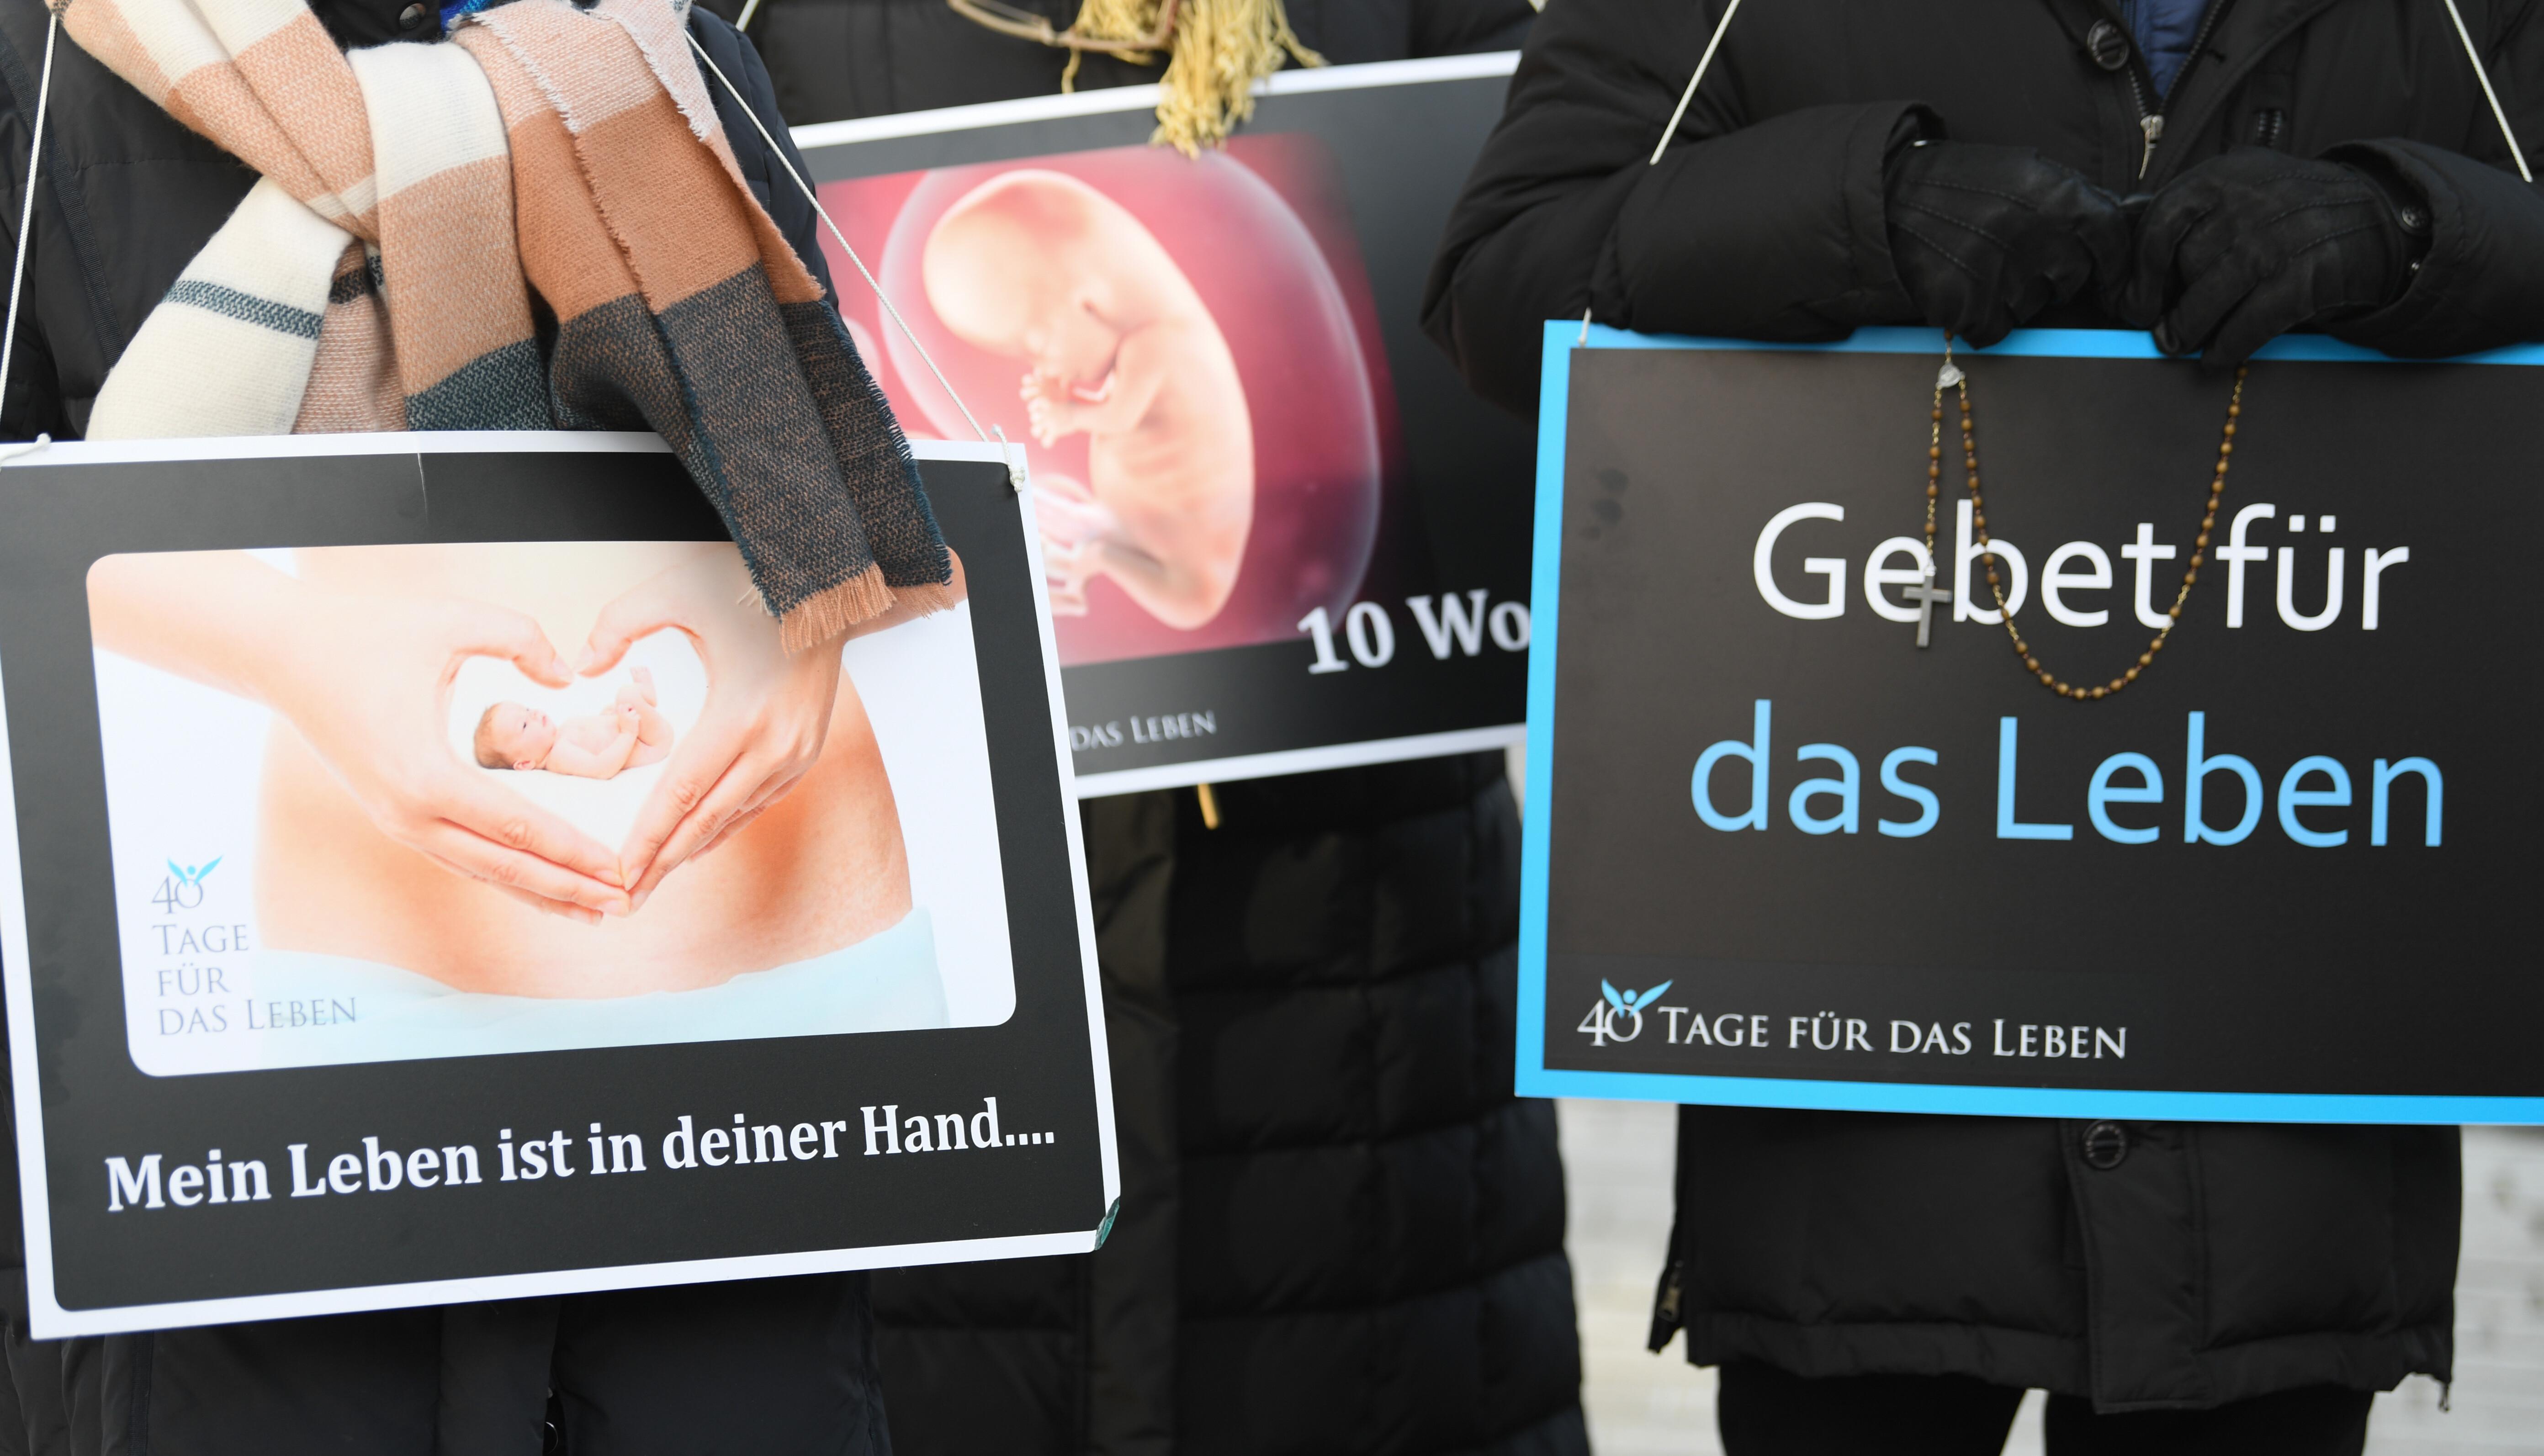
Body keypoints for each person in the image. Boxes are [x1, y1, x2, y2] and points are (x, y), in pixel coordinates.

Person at [1423, 0, 2544, 1451]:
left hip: (2273, 1152)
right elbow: (1505, 276)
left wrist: (2408, 227)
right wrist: (1862, 210)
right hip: (1855, 1123)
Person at [0, 0, 907, 1448]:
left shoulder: (669, 48)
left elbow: (834, 489)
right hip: (257, 1133)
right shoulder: (54, 70)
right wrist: (286, 645)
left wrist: (810, 610)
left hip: (706, 1116)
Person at [709, 1, 1586, 1452]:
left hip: (1366, 1008)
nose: (1053, 396)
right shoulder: (753, 25)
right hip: (936, 1002)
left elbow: (1560, 261)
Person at [923, 169, 1254, 626]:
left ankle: (1102, 554)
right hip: (1146, 525)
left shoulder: (1161, 345)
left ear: (1089, 303)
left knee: (1189, 608)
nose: (1036, 364)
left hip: (1187, 555)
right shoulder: (1137, 344)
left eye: (1035, 344)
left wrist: (1071, 414)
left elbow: (1120, 416)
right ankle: (1102, 536)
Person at [476, 667, 675, 779]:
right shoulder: (560, 756)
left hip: (641, 732)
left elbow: (595, 737)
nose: (534, 714)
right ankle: (647, 694)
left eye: (527, 709)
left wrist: (608, 717)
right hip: (651, 744)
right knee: (627, 695)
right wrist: (627, 733)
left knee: (621, 701)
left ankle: (645, 697)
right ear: (526, 764)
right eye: (525, 725)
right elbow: (601, 768)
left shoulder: (561, 735)